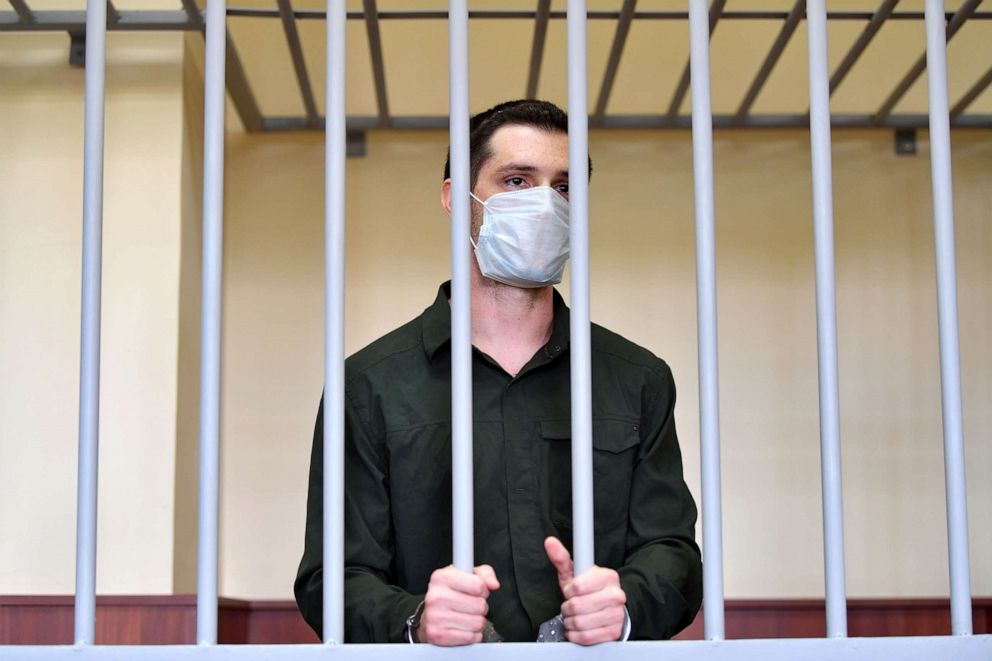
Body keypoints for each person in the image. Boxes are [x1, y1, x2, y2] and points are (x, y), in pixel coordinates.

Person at [295, 99, 702, 645]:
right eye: (515, 180)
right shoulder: (368, 387)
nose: (543, 203)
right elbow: (331, 578)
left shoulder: (637, 379)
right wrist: (414, 620)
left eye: (562, 188)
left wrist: (624, 609)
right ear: (455, 199)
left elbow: (672, 552)